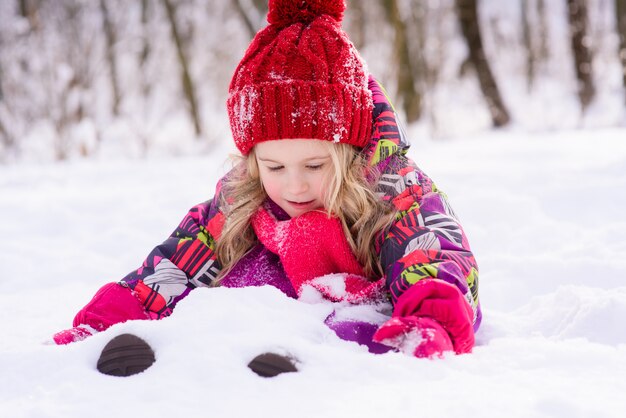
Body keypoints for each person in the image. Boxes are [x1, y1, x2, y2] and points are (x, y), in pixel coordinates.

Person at [53, 0, 481, 360]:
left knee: (325, 268)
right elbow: (178, 263)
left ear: (350, 153)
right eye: (274, 168)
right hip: (259, 319)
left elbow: (434, 256)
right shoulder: (244, 194)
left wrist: (432, 322)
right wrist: (108, 321)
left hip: (365, 320)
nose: (294, 186)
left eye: (315, 166)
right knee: (227, 275)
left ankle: (305, 356)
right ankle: (188, 351)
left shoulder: (395, 190)